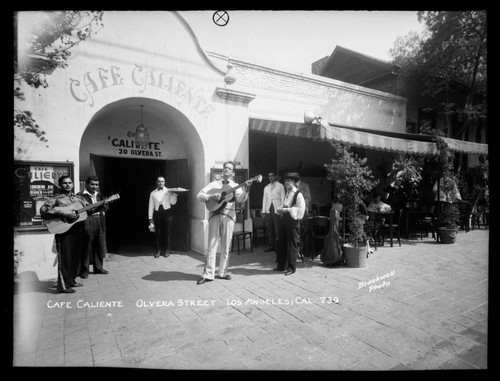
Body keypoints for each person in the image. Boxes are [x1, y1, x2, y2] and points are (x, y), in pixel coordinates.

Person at [196, 161, 252, 284]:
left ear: (232, 172)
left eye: (229, 168)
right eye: (225, 168)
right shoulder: (213, 184)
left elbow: (240, 200)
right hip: (215, 215)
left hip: (229, 216)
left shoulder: (236, 185)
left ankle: (222, 272)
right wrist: (211, 197)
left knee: (226, 246)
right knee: (211, 245)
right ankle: (208, 274)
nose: (226, 169)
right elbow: (199, 195)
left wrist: (246, 189)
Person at [40, 176, 85, 293]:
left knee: (75, 257)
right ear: (60, 185)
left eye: (70, 183)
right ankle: (63, 286)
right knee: (65, 258)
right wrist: (64, 214)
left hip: (77, 229)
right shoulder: (55, 198)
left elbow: (88, 210)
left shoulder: (78, 198)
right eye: (65, 183)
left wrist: (102, 205)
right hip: (64, 231)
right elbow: (44, 211)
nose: (68, 185)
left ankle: (71, 280)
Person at [78, 176, 109, 278]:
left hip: (99, 220)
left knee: (99, 245)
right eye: (92, 184)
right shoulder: (80, 195)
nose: (94, 186)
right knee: (86, 246)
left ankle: (98, 268)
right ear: (87, 184)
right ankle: (84, 270)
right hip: (87, 220)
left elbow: (105, 206)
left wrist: (103, 210)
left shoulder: (99, 195)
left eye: (96, 184)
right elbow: (81, 209)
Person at [275, 172, 306, 276]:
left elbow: (301, 210)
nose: (286, 183)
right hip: (284, 220)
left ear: (293, 182)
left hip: (293, 221)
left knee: (291, 244)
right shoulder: (287, 193)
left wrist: (286, 209)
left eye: (288, 181)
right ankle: (281, 266)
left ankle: (291, 268)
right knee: (281, 242)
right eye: (285, 181)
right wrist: (281, 210)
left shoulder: (298, 194)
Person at [148, 176, 178, 258]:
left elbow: (173, 203)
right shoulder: (153, 193)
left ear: (164, 182)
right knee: (158, 233)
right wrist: (150, 219)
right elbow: (150, 207)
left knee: (168, 233)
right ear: (156, 182)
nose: (161, 183)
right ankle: (158, 250)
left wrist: (174, 195)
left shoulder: (169, 191)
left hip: (168, 213)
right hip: (157, 214)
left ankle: (167, 250)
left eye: (162, 181)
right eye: (159, 181)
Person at [261, 171, 285, 253]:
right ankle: (271, 246)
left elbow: (283, 198)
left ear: (275, 176)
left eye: (272, 176)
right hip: (268, 210)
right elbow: (264, 200)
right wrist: (263, 211)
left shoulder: (280, 186)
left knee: (277, 228)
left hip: (277, 210)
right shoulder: (266, 187)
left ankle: (279, 246)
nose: (270, 177)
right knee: (269, 229)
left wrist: (282, 210)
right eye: (269, 176)